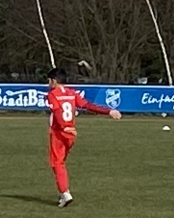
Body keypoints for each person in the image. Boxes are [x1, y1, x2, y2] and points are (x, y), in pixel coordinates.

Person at [46, 68, 120, 207]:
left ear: (54, 81)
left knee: (57, 163)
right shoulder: (72, 93)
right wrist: (108, 111)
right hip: (71, 133)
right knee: (61, 162)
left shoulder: (52, 95)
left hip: (59, 133)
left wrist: (63, 126)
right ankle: (64, 193)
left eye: (49, 81)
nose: (48, 84)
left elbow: (57, 111)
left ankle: (65, 193)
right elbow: (87, 105)